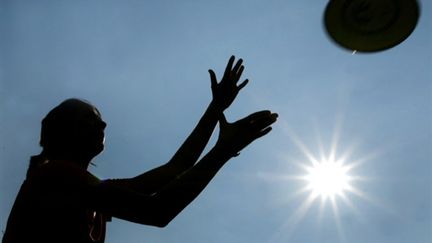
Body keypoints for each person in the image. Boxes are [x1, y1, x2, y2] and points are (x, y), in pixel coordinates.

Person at [2, 56, 278, 243]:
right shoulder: (55, 176)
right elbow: (157, 211)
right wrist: (223, 150)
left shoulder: (89, 191)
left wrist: (215, 108)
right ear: (65, 130)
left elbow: (175, 169)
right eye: (91, 118)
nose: (104, 123)